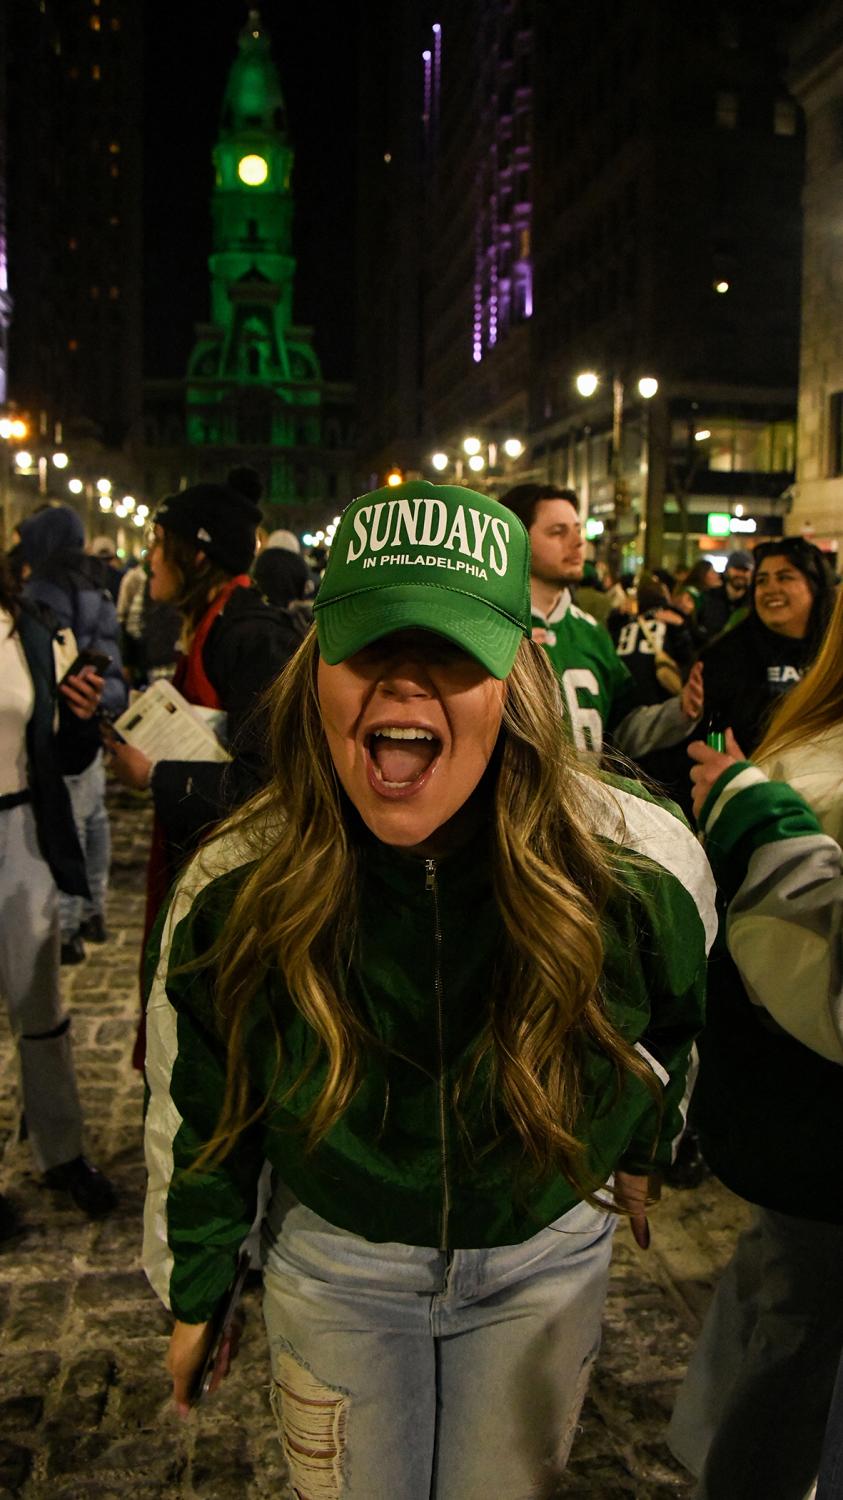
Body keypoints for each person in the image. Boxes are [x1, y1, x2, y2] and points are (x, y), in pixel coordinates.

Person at [143, 480, 716, 1497]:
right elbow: (203, 1096)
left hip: (544, 1258)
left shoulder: (637, 865)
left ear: (517, 679)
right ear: (316, 670)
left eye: (451, 650)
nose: (404, 683)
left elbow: (669, 1023)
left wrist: (641, 1148)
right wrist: (197, 1280)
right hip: (335, 1266)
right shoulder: (237, 883)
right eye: (370, 645)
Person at [667, 583, 843, 1500]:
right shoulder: (803, 744)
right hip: (807, 1135)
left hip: (799, 1129)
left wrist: (764, 825)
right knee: (793, 1331)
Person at [106, 468, 300, 1065]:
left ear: (195, 555)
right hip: (202, 867)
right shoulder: (209, 622)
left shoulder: (252, 635)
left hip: (237, 898)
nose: (149, 559)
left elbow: (267, 785)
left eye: (159, 544)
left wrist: (152, 776)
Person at [0, 555, 116, 1234]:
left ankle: (61, 1150)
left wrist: (78, 718)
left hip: (21, 829)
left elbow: (67, 755)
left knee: (38, 1001)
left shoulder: (29, 629)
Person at [500, 484, 703, 758]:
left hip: (585, 786)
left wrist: (679, 710)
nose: (578, 542)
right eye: (558, 532)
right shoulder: (490, 630)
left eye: (577, 530)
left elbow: (620, 729)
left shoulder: (592, 632)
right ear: (516, 540)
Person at [14, 503, 127, 962]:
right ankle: (94, 909)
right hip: (95, 711)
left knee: (69, 821)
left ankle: (65, 929)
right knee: (95, 818)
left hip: (65, 721)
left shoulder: (44, 588)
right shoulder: (96, 584)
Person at [688, 536, 835, 756]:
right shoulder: (726, 656)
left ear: (815, 586)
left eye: (784, 577)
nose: (770, 589)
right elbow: (709, 734)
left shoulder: (835, 651)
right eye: (762, 580)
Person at [696, 549, 753, 640]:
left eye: (745, 570)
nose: (740, 574)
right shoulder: (709, 597)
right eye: (737, 569)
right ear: (727, 570)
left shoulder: (754, 602)